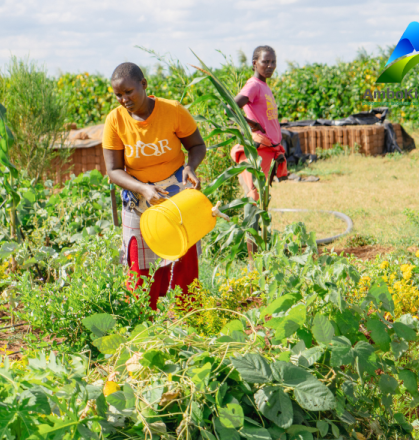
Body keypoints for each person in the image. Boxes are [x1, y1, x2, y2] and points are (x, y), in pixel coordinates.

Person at [102, 62, 207, 310]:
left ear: (144, 85)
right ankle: (143, 324)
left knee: (184, 259)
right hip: (140, 199)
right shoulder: (115, 121)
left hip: (177, 193)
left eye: (129, 92)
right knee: (139, 268)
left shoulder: (172, 111)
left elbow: (197, 146)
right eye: (118, 95)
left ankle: (191, 319)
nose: (124, 99)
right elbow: (114, 170)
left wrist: (191, 167)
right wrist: (144, 189)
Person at [232, 45, 287, 201]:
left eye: (273, 62)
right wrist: (252, 125)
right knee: (254, 196)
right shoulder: (254, 85)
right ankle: (252, 226)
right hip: (259, 150)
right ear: (255, 63)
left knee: (262, 196)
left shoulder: (264, 86)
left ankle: (259, 226)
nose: (270, 66)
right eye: (265, 61)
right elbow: (230, 109)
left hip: (269, 149)